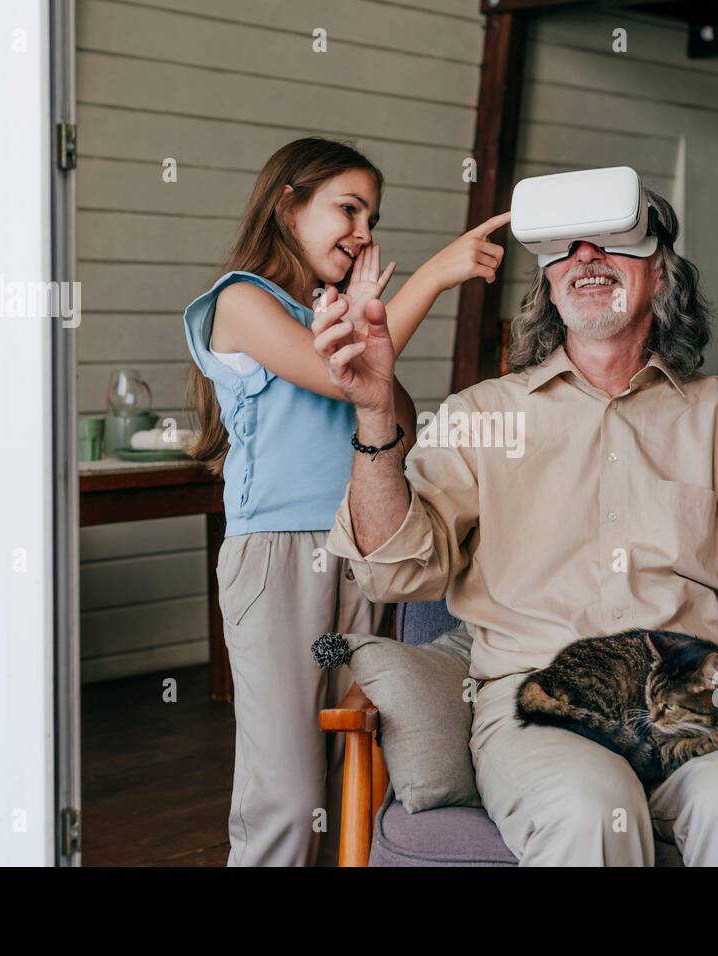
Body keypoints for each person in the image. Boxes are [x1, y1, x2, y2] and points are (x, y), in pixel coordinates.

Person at [314, 184, 718, 865]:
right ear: (549, 283)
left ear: (662, 271)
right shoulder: (478, 417)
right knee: (593, 812)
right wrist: (376, 414)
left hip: (710, 704)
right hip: (546, 712)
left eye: (612, 236)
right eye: (564, 246)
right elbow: (393, 571)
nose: (587, 254)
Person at [183, 136, 507, 866]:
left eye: (372, 215)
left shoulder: (332, 311)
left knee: (344, 764)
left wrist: (369, 332)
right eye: (348, 208)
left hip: (357, 554)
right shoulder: (241, 299)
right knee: (288, 793)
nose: (363, 231)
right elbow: (335, 379)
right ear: (287, 204)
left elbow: (394, 422)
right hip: (278, 563)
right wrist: (430, 279)